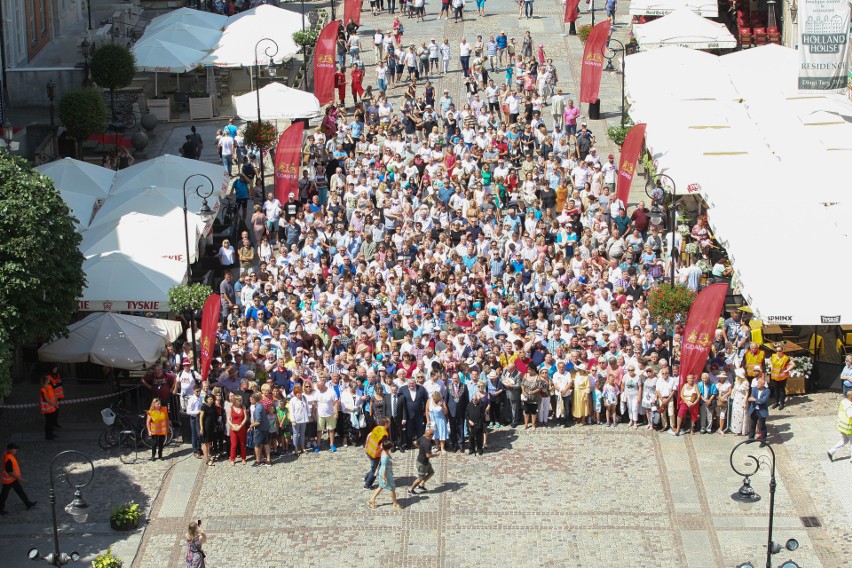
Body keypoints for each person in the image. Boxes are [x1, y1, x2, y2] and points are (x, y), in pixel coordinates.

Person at [0, 443, 37, 515]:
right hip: (8, 481)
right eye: (14, 449)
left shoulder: (8, 455)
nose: (16, 450)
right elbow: (10, 472)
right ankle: (0, 509)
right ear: (10, 450)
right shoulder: (9, 459)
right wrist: (20, 479)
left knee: (20, 491)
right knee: (4, 495)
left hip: (11, 480)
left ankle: (28, 503)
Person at [368, 440, 402, 510]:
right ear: (389, 448)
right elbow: (384, 468)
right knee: (392, 489)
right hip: (386, 474)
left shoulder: (384, 452)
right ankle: (395, 503)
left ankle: (372, 500)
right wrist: (384, 478)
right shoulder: (385, 457)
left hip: (386, 473)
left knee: (380, 487)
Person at [409, 427, 439, 493]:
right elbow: (428, 455)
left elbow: (415, 442)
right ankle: (411, 489)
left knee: (431, 472)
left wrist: (420, 448)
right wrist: (436, 454)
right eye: (432, 434)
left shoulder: (422, 437)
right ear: (430, 435)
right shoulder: (427, 444)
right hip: (422, 463)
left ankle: (421, 484)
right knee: (420, 478)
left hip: (425, 462)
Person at [364, 417, 390, 490]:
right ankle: (367, 485)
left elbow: (369, 435)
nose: (389, 424)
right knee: (375, 470)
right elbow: (383, 446)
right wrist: (387, 454)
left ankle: (367, 478)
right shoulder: (384, 434)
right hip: (376, 454)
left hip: (369, 450)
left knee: (373, 467)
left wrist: (366, 445)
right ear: (386, 424)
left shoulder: (377, 428)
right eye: (389, 423)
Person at [827, 389, 852, 462]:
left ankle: (831, 451)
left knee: (844, 440)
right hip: (848, 427)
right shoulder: (849, 405)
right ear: (850, 397)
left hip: (842, 426)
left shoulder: (843, 401)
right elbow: (850, 415)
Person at [769, 343, 794, 410]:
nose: (778, 352)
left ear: (782, 351)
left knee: (781, 390)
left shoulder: (785, 358)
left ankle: (782, 403)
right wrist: (771, 367)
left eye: (779, 351)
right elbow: (770, 360)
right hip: (774, 376)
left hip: (782, 377)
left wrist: (787, 370)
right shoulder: (773, 356)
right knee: (775, 390)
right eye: (777, 351)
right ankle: (776, 402)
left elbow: (793, 364)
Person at [249, 392, 272, 467]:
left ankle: (258, 460)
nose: (250, 401)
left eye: (251, 400)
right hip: (265, 427)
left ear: (253, 400)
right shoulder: (261, 405)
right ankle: (268, 460)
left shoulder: (257, 408)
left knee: (257, 444)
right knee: (265, 443)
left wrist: (251, 426)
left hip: (260, 429)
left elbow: (258, 422)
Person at [747, 375, 770, 446]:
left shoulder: (767, 391)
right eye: (757, 384)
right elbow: (751, 397)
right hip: (754, 409)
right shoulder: (755, 389)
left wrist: (755, 400)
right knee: (752, 424)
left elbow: (763, 400)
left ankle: (763, 440)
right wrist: (756, 400)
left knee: (762, 426)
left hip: (761, 410)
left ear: (763, 384)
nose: (758, 385)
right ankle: (751, 438)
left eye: (759, 384)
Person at [228, 395, 248, 465]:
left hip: (241, 427)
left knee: (242, 443)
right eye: (238, 400)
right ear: (235, 401)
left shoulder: (243, 408)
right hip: (233, 428)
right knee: (234, 444)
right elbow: (228, 419)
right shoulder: (231, 408)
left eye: (240, 400)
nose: (240, 402)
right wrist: (233, 425)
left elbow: (245, 418)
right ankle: (232, 458)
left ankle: (243, 458)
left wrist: (241, 425)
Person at [39, 375, 59, 440]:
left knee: (51, 422)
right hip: (47, 409)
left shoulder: (49, 386)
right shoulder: (43, 389)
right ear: (46, 380)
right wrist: (54, 404)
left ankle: (51, 434)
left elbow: (54, 395)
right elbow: (46, 399)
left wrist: (56, 402)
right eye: (48, 378)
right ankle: (48, 436)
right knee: (48, 423)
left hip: (52, 408)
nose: (49, 379)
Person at [199, 394, 216, 466]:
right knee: (205, 443)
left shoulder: (212, 406)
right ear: (206, 399)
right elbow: (201, 418)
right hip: (205, 427)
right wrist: (202, 428)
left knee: (209, 442)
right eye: (209, 399)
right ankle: (206, 459)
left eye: (212, 399)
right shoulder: (204, 407)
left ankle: (208, 455)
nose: (211, 400)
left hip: (211, 427)